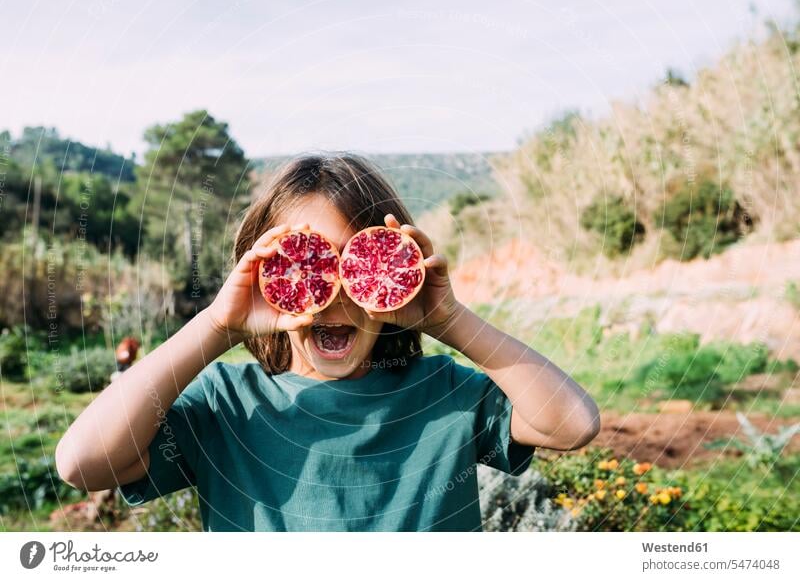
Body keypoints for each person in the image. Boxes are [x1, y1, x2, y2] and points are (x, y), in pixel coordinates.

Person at [55, 153, 600, 531]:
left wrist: (448, 320)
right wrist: (217, 325)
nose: (333, 295)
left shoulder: (445, 393)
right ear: (260, 275)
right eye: (303, 265)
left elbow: (573, 423)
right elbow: (81, 462)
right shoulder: (225, 407)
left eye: (357, 264)